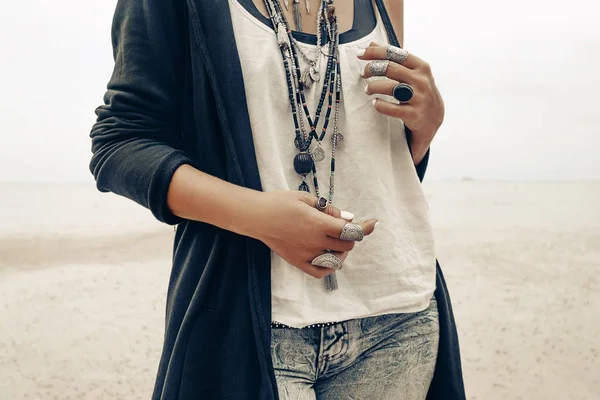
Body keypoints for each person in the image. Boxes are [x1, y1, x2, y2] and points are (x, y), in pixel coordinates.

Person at [88, 0, 466, 399]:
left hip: (398, 316)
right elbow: (119, 144)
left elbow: (377, 162)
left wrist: (424, 127)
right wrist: (258, 217)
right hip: (252, 323)